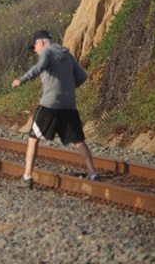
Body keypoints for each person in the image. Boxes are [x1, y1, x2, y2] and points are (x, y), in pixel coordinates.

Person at [11, 30, 97, 190]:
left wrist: (21, 80)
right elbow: (82, 76)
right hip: (69, 105)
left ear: (41, 43)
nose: (35, 51)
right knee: (79, 141)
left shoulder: (46, 52)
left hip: (50, 105)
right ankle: (93, 174)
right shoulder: (66, 54)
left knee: (33, 138)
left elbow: (39, 67)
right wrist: (68, 88)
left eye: (35, 46)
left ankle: (27, 177)